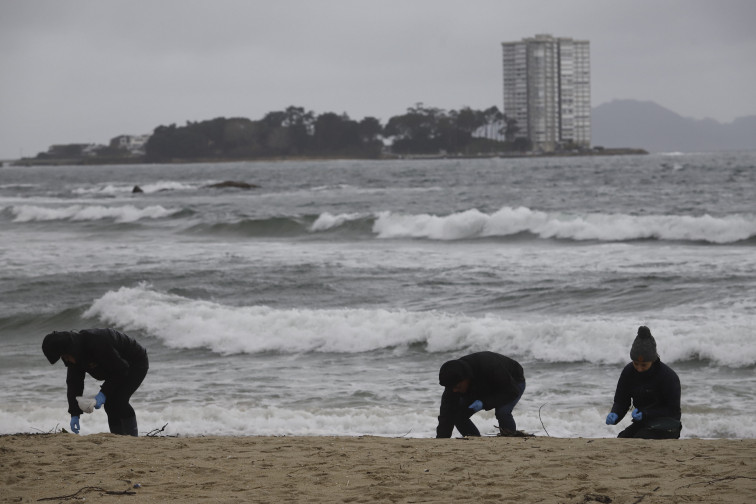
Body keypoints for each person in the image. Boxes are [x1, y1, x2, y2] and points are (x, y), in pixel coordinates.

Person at [42, 328, 149, 437]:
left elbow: (120, 370)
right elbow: (74, 383)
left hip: (136, 362)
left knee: (120, 400)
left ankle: (132, 437)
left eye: (65, 356)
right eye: (63, 357)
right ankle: (118, 438)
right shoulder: (74, 355)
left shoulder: (97, 343)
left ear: (70, 349)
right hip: (117, 368)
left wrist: (103, 393)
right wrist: (75, 413)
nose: (66, 359)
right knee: (109, 404)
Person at [605, 326, 682, 439]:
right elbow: (621, 401)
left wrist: (646, 413)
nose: (639, 368)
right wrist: (615, 413)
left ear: (653, 360)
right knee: (622, 439)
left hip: (668, 424)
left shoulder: (668, 377)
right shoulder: (628, 372)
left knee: (640, 438)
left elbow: (672, 410)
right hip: (644, 423)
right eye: (636, 363)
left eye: (644, 365)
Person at [436, 351, 526, 438]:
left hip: (512, 383)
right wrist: (441, 440)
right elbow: (446, 414)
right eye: (452, 388)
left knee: (502, 412)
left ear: (466, 378)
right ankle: (474, 440)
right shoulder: (454, 383)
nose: (455, 390)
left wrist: (484, 403)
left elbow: (511, 392)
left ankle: (509, 440)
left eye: (458, 386)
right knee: (458, 414)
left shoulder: (490, 366)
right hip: (479, 386)